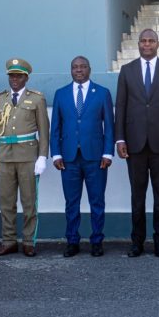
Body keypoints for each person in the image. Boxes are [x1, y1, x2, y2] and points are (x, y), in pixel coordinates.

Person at [115, 28, 159, 258]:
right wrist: (120, 138)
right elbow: (121, 106)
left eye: (151, 41)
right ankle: (137, 243)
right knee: (137, 197)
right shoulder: (127, 70)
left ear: (158, 44)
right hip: (134, 145)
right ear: (138, 44)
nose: (147, 44)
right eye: (143, 41)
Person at [50, 56, 115, 258]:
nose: (79, 70)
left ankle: (97, 241)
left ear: (89, 69)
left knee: (97, 201)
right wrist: (56, 154)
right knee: (72, 202)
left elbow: (109, 126)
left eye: (83, 67)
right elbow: (55, 127)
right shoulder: (61, 94)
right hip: (68, 158)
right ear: (71, 70)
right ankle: (72, 241)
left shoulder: (102, 93)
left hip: (95, 157)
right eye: (75, 67)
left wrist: (108, 152)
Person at [0, 58, 49, 257]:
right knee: (6, 202)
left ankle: (29, 241)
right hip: (5, 155)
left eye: (19, 76)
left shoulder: (36, 99)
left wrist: (42, 156)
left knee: (29, 201)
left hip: (28, 155)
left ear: (26, 78)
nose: (14, 79)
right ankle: (9, 241)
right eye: (12, 76)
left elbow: (44, 131)